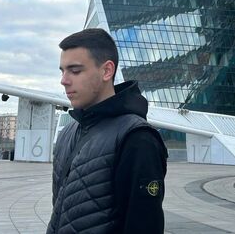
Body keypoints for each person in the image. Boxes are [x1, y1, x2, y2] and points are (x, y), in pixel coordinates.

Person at [46, 28, 167, 234]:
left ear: (107, 71)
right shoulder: (68, 132)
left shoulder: (137, 138)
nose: (64, 80)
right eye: (62, 71)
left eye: (75, 71)